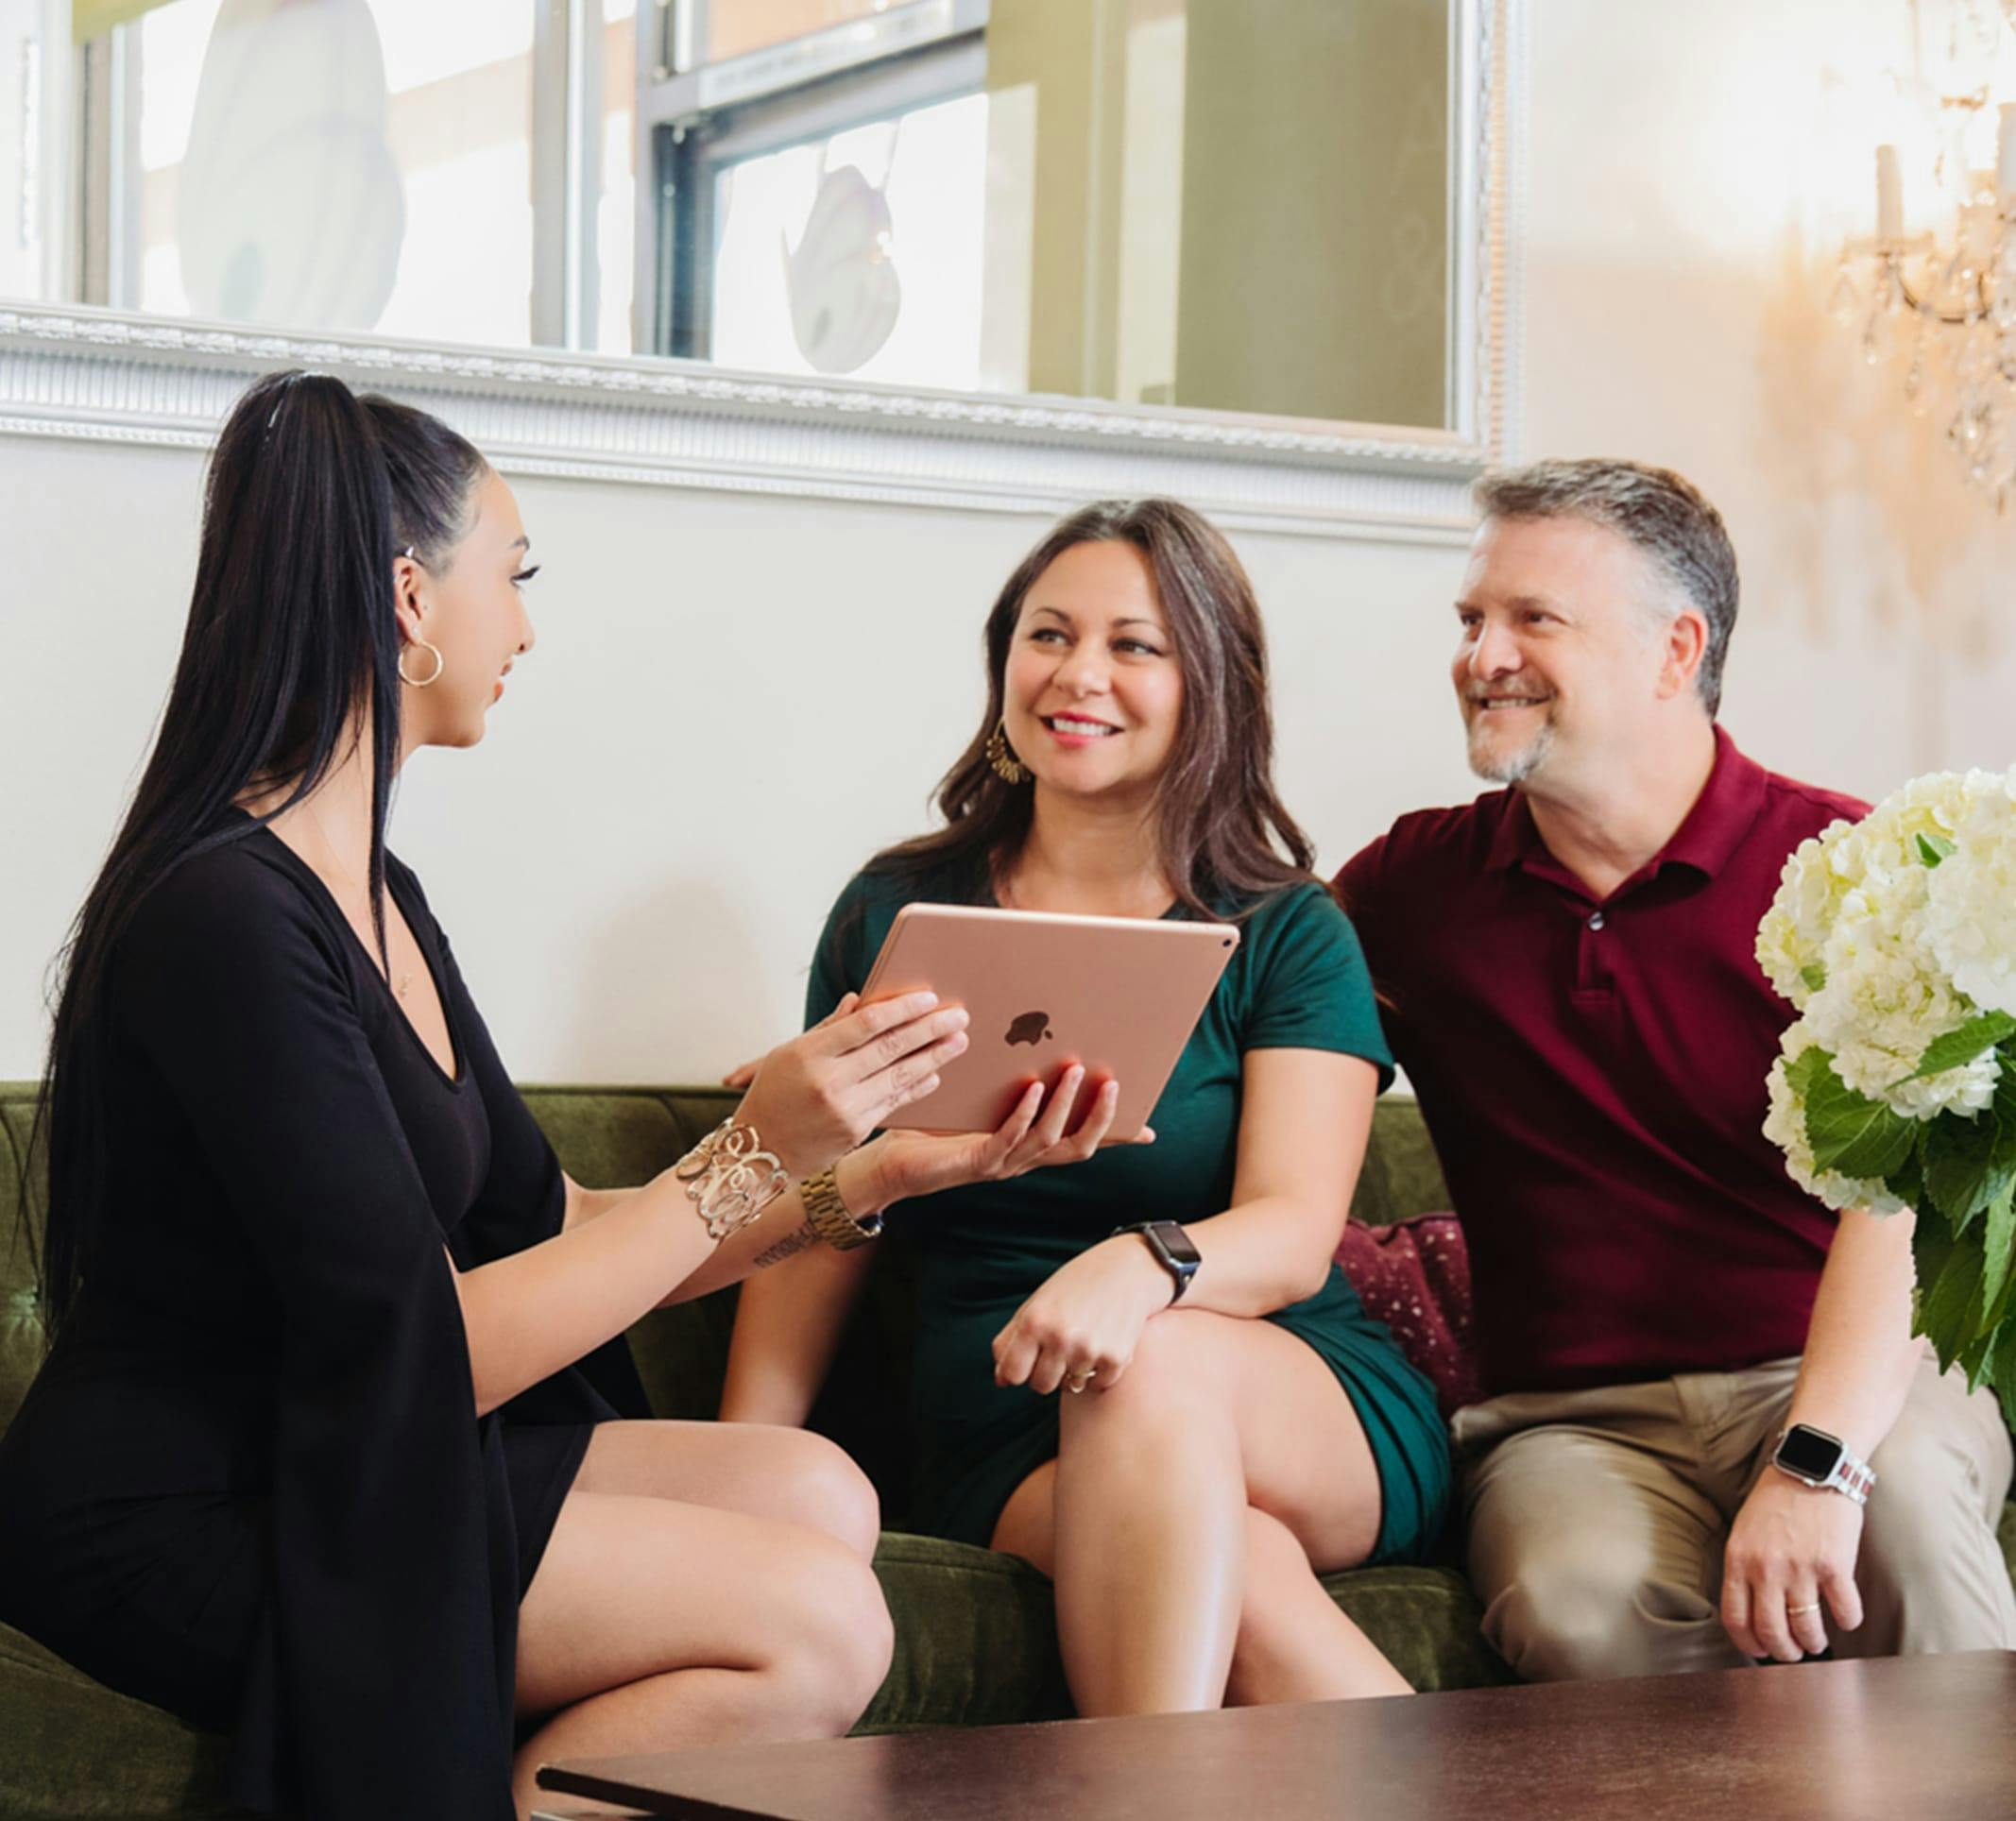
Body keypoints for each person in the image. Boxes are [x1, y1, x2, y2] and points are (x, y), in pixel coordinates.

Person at [0, 370, 1090, 1821]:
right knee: (820, 1622)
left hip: (334, 1444)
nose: (523, 624)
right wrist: (752, 1145)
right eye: (510, 578)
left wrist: (877, 1172)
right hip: (186, 1507)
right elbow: (421, 1352)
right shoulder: (223, 921)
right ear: (407, 598)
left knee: (817, 1489)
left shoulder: (376, 894)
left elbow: (561, 1225)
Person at [720, 498, 1451, 1716]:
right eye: (1048, 635)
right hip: (1004, 1406)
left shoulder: (1285, 930)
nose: (1079, 674)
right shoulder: (893, 913)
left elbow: (1293, 1226)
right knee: (1240, 1572)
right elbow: (820, 1207)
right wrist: (748, 1444)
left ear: (1209, 684)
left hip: (1289, 1381)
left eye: (1135, 645)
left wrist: (1146, 1266)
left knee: (1148, 1369)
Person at [1335, 457, 2016, 1681]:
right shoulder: (1409, 891)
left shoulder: (1854, 869)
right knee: (1573, 1602)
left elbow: (1915, 1210)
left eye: (1532, 619)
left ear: (1673, 650)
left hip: (1848, 1371)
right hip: (1572, 1420)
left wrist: (1818, 1458)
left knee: (1901, 1515)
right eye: (1471, 619)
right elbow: (1238, 1047)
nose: (1481, 654)